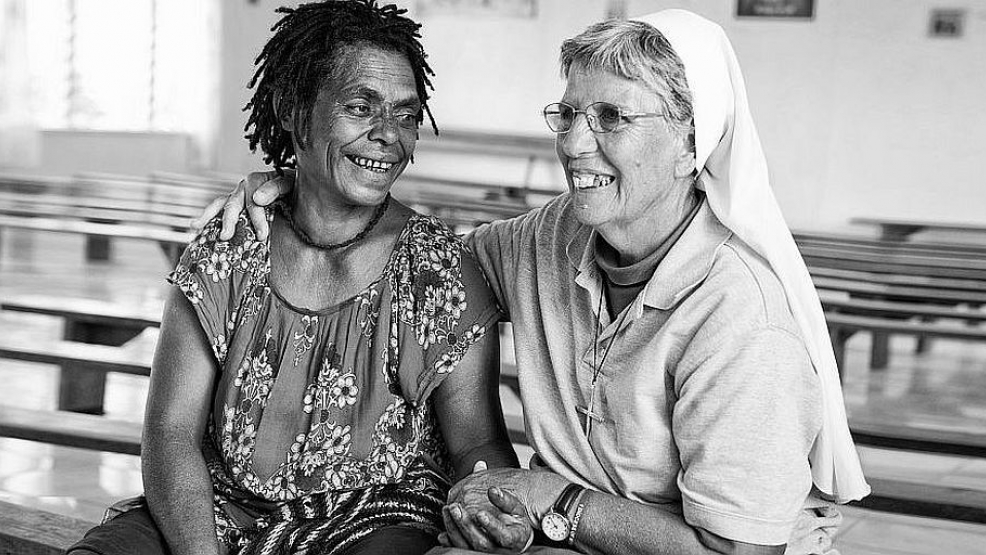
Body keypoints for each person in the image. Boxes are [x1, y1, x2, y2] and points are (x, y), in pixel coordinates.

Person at [205, 9, 871, 555]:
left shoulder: (743, 319)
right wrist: (307, 187)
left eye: (613, 117)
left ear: (693, 143)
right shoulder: (551, 238)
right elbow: (427, 268)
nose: (576, 144)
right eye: (570, 113)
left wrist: (556, 498)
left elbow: (738, 551)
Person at [67, 2, 519, 554]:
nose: (388, 136)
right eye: (360, 107)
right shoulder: (231, 250)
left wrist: (494, 509)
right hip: (218, 505)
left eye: (405, 115)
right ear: (292, 109)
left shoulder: (437, 272)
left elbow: (478, 440)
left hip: (374, 519)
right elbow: (170, 434)